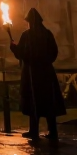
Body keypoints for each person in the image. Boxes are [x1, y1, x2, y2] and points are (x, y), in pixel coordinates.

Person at [10, 8, 67, 141]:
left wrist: (14, 48)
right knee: (46, 102)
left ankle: (35, 131)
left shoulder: (27, 35)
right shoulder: (47, 34)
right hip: (45, 73)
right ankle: (51, 132)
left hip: (32, 73)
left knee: (34, 101)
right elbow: (54, 52)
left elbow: (21, 54)